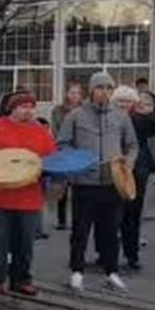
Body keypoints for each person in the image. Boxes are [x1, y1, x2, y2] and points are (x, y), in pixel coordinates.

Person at [57, 72, 137, 293]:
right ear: (91, 91)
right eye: (100, 88)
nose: (104, 92)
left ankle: (111, 272)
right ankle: (76, 272)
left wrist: (127, 164)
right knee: (80, 231)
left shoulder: (121, 117)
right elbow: (63, 144)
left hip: (112, 183)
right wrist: (79, 161)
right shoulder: (75, 116)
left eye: (109, 88)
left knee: (111, 231)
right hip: (84, 183)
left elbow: (132, 145)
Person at [0, 90, 56, 296]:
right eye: (23, 107)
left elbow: (51, 158)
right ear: (11, 108)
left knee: (25, 243)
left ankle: (21, 279)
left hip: (29, 198)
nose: (28, 111)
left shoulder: (40, 131)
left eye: (31, 107)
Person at [120, 91, 155, 272]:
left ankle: (132, 255)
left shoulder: (142, 119)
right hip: (115, 167)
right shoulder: (115, 116)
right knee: (112, 216)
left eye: (147, 101)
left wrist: (149, 111)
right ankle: (105, 255)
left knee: (133, 214)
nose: (140, 103)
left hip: (138, 169)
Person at [49, 83, 84, 231]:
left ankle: (79, 219)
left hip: (79, 151)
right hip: (63, 150)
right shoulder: (58, 110)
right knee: (62, 187)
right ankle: (61, 219)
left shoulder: (85, 110)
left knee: (78, 188)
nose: (74, 95)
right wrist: (62, 145)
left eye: (77, 93)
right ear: (67, 94)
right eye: (72, 92)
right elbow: (55, 128)